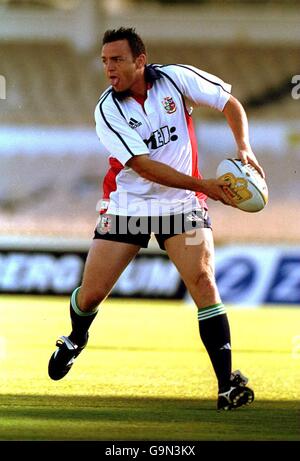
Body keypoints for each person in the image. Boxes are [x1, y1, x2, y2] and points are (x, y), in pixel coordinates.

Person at [48, 27, 265, 411]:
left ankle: (226, 384)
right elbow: (144, 167)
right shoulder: (107, 110)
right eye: (104, 62)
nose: (109, 69)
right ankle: (76, 337)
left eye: (116, 60)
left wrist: (244, 148)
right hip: (128, 207)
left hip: (183, 206)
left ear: (140, 60)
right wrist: (206, 184)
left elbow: (229, 103)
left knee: (203, 282)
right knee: (92, 293)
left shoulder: (175, 79)